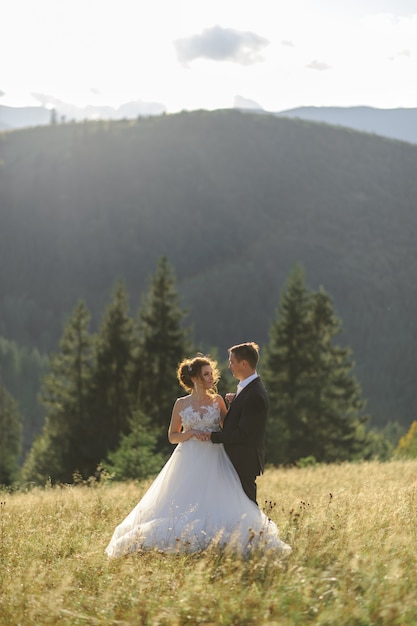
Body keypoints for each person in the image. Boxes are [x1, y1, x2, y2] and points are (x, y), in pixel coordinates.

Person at [105, 354, 290, 557]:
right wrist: (190, 434)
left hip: (215, 457)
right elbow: (172, 436)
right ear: (194, 378)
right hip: (188, 457)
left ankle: (228, 541)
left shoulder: (217, 400)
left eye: (211, 374)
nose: (211, 378)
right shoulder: (181, 404)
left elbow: (228, 429)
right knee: (183, 499)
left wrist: (232, 405)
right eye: (206, 374)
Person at [209, 342, 268, 505]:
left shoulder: (255, 394)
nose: (229, 366)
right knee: (236, 505)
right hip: (238, 459)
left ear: (244, 364)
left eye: (232, 362)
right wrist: (233, 405)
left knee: (247, 504)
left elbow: (243, 434)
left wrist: (211, 436)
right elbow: (243, 419)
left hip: (244, 460)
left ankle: (256, 531)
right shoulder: (248, 389)